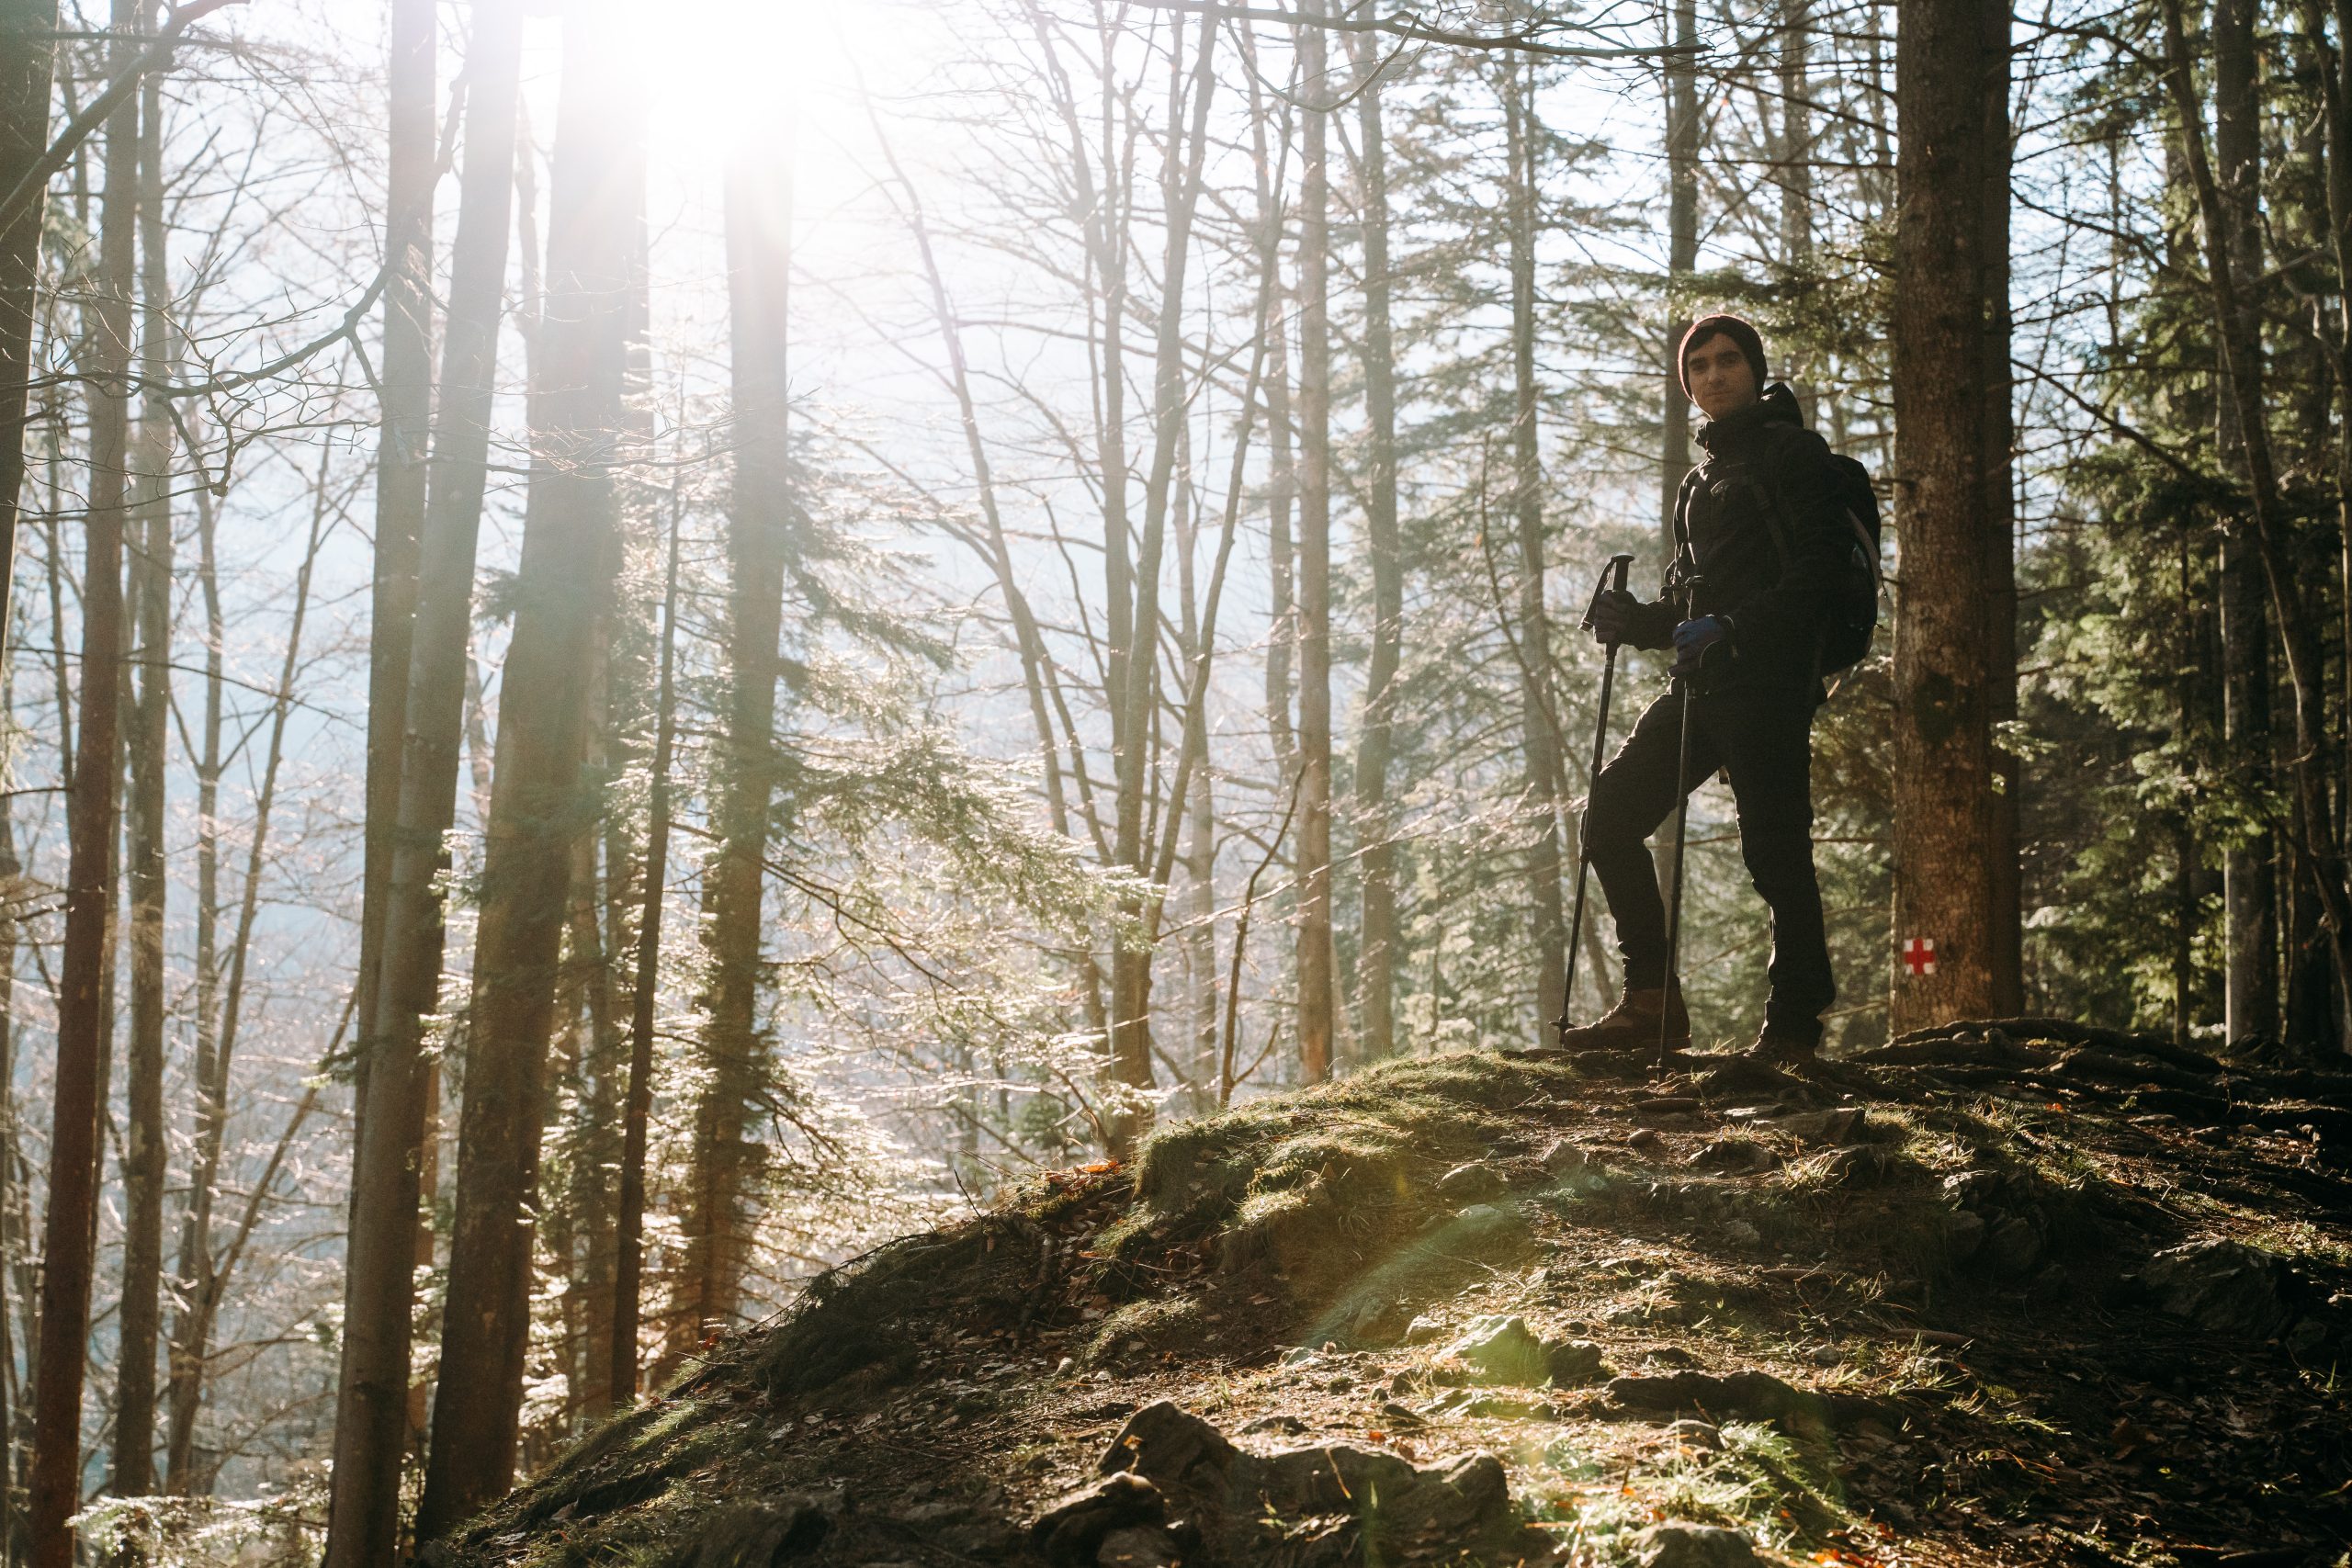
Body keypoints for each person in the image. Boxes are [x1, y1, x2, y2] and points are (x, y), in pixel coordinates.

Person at [1557, 313, 1847, 1061]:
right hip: (1703, 686)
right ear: (1687, 384)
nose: (1714, 375)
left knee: (1775, 850)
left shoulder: (1795, 453)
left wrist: (1735, 626)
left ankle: (1793, 1024)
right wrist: (1637, 621)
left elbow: (1818, 570)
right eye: (1700, 367)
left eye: (1729, 360)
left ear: (1754, 369)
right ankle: (1651, 1002)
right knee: (1610, 815)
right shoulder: (1700, 481)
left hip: (1772, 684)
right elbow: (1687, 608)